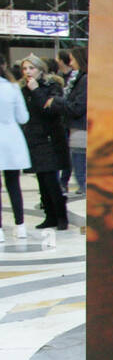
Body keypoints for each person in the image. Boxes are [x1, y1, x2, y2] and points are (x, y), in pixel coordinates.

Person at [17, 54, 68, 230]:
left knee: (51, 180)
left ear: (40, 69)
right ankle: (50, 216)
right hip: (33, 139)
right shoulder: (23, 88)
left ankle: (61, 217)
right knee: (41, 180)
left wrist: (36, 90)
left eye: (31, 68)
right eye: (25, 68)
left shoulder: (52, 86)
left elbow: (50, 110)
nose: (28, 72)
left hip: (50, 139)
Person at [49, 48, 86, 196]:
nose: (71, 63)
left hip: (81, 129)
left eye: (72, 59)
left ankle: (82, 188)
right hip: (76, 128)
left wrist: (57, 102)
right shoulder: (77, 79)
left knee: (79, 167)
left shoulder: (84, 80)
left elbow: (78, 107)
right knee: (77, 165)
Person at [0, 64, 31, 242]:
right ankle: (20, 226)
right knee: (14, 185)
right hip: (12, 140)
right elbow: (23, 117)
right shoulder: (12, 88)